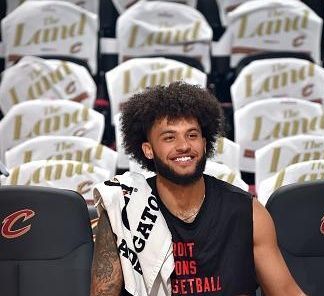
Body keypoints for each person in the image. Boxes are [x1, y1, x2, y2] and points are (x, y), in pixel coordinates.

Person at [90, 82, 306, 296]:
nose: (183, 145)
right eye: (169, 137)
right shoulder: (124, 210)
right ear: (148, 149)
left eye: (192, 135)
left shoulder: (248, 212)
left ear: (204, 143)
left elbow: (286, 291)